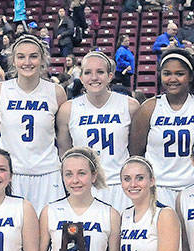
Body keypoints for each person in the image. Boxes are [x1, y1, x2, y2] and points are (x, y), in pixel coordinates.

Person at [0, 35, 67, 213]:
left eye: (33, 56)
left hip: (48, 173)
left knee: (50, 234)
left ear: (42, 60)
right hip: (12, 173)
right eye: (21, 57)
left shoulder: (56, 92)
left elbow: (62, 138)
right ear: (14, 61)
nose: (27, 62)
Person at [129, 48, 194, 206]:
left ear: (190, 76)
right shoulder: (149, 108)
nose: (172, 79)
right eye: (167, 73)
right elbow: (136, 153)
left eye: (179, 74)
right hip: (158, 188)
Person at [57, 51, 138, 211]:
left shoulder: (130, 105)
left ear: (110, 76)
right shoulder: (68, 109)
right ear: (81, 78)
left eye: (100, 72)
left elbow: (137, 150)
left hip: (120, 186)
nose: (94, 77)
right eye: (88, 72)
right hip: (85, 187)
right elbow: (65, 153)